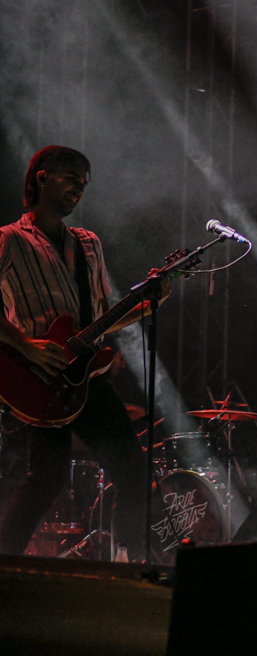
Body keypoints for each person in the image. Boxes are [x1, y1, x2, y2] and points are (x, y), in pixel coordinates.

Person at [0, 146, 168, 559]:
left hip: (88, 378)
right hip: (37, 379)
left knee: (132, 468)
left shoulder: (88, 244)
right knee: (47, 479)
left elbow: (98, 320)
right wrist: (26, 346)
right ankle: (5, 564)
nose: (80, 187)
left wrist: (149, 303)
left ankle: (139, 563)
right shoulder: (9, 240)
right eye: (73, 176)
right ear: (42, 177)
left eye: (85, 182)